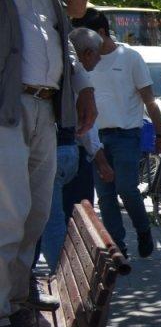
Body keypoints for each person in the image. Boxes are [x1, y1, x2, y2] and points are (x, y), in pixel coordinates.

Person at [0, 0, 97, 327]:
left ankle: (16, 301)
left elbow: (74, 13)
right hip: (6, 105)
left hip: (44, 105)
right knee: (8, 213)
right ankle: (1, 317)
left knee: (36, 211)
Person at [74, 7, 161, 259]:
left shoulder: (130, 58)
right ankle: (117, 248)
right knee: (105, 196)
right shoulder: (83, 61)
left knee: (126, 188)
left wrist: (160, 135)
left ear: (101, 32)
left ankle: (143, 229)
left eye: (85, 37)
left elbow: (150, 100)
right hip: (94, 137)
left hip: (126, 135)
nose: (81, 45)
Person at [38, 28, 109, 272]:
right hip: (69, 154)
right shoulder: (78, 80)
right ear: (86, 53)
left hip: (58, 152)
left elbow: (87, 129)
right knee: (71, 219)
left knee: (52, 220)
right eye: (97, 54)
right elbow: (88, 131)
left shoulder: (57, 75)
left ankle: (63, 273)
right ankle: (69, 271)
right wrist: (100, 160)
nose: (99, 59)